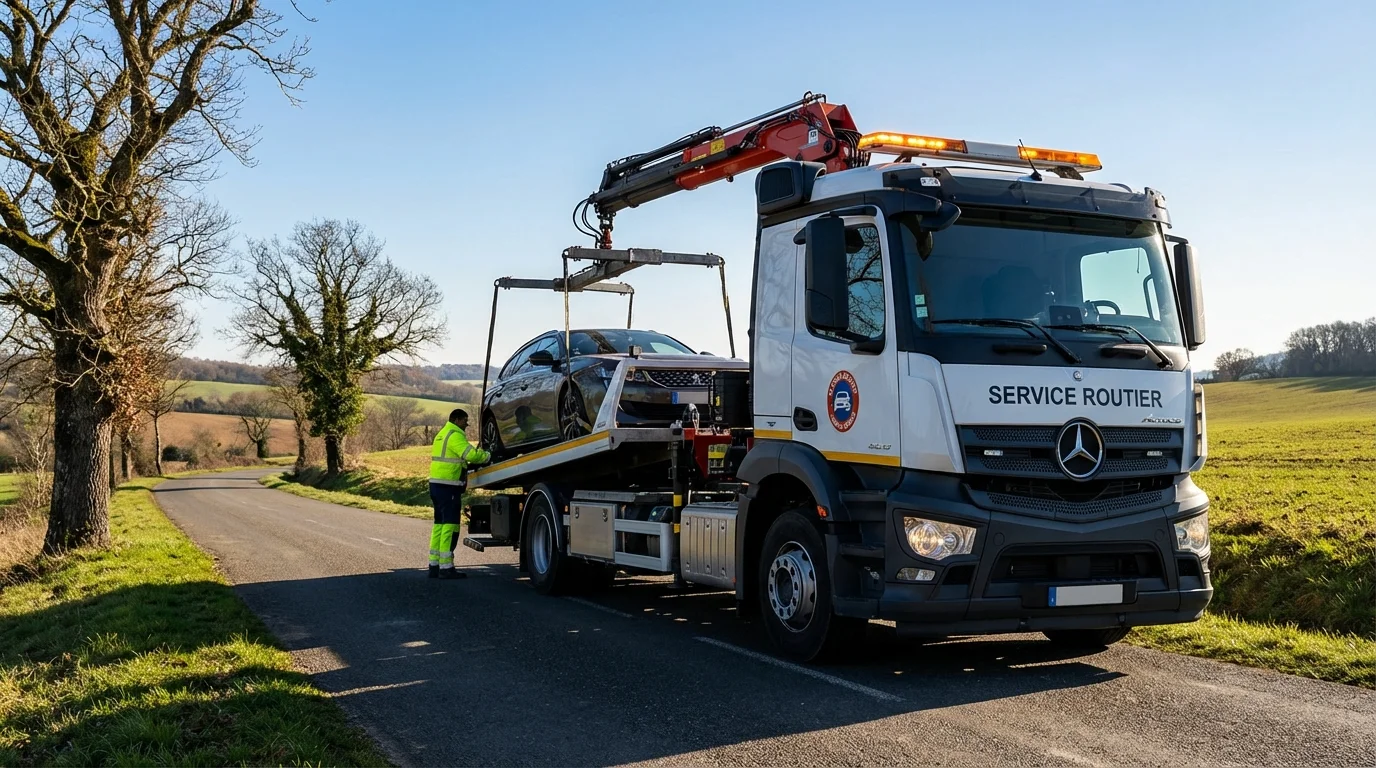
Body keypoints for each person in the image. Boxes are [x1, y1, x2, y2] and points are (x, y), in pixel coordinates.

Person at [428, 408, 490, 579]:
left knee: (439, 525)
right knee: (450, 526)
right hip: (448, 487)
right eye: (464, 420)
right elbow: (471, 455)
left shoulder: (442, 433)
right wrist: (487, 456)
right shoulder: (454, 435)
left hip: (437, 486)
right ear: (456, 420)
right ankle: (446, 567)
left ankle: (434, 565)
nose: (466, 424)